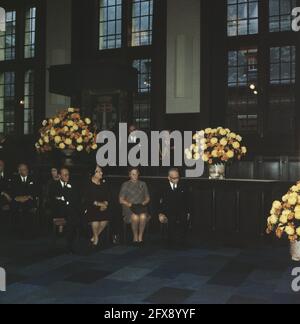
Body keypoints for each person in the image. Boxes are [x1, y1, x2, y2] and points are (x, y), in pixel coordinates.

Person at [49, 167, 80, 253]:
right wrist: (65, 200)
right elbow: (53, 200)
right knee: (72, 216)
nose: (67, 176)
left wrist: (64, 199)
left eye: (68, 174)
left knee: (72, 215)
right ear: (59, 176)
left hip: (70, 210)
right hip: (59, 210)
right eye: (65, 175)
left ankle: (69, 243)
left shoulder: (73, 184)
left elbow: (76, 198)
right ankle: (68, 241)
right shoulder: (54, 185)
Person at [158, 168, 191, 247]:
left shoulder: (184, 185)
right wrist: (159, 213)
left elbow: (188, 200)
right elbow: (157, 201)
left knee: (183, 217)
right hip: (167, 210)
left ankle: (181, 241)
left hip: (180, 210)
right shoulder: (162, 187)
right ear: (169, 178)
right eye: (174, 178)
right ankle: (171, 241)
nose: (176, 180)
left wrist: (188, 212)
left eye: (178, 177)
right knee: (171, 218)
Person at [119, 168, 150, 245]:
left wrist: (142, 204)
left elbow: (148, 198)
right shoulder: (125, 184)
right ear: (129, 175)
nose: (135, 175)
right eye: (133, 174)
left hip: (140, 207)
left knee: (143, 216)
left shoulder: (143, 184)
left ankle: (140, 237)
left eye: (136, 173)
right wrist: (131, 205)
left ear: (138, 174)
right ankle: (135, 237)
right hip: (129, 208)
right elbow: (121, 200)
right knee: (135, 217)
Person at [84, 166, 110, 247]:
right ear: (93, 174)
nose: (101, 173)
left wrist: (105, 204)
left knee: (105, 219)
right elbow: (89, 199)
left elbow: (107, 196)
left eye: (101, 171)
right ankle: (96, 238)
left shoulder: (104, 183)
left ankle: (94, 236)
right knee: (95, 219)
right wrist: (100, 204)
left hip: (102, 206)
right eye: (99, 172)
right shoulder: (88, 184)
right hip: (91, 206)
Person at [11, 163, 38, 238]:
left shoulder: (33, 178)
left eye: (25, 169)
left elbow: (36, 191)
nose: (24, 171)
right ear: (19, 171)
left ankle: (29, 232)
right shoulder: (14, 179)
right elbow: (13, 191)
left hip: (29, 200)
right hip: (18, 200)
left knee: (29, 209)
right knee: (16, 208)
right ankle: (18, 232)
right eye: (22, 170)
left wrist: (27, 197)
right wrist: (19, 197)